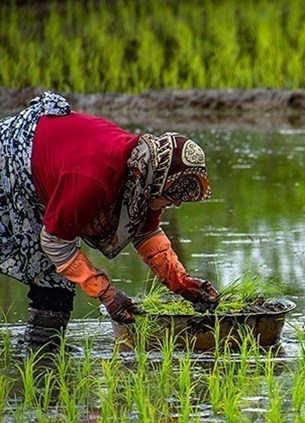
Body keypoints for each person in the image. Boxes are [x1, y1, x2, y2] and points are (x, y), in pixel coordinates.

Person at [0, 91, 220, 351]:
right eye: (175, 194)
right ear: (159, 181)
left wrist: (182, 283)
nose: (178, 203)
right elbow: (55, 241)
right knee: (49, 270)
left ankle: (43, 352)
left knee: (53, 276)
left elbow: (146, 233)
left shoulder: (141, 174)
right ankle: (40, 351)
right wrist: (106, 292)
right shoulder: (95, 178)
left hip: (45, 168)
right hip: (14, 164)